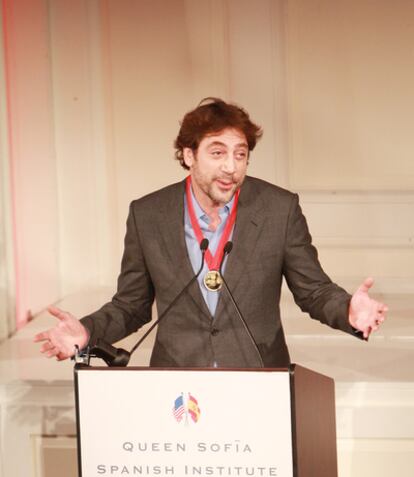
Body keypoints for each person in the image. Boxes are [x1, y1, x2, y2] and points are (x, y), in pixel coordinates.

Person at [34, 97, 388, 367]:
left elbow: (313, 291)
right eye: (217, 153)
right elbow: (132, 306)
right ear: (188, 155)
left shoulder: (279, 209)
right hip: (178, 388)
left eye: (240, 154)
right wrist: (87, 332)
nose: (231, 167)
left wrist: (348, 313)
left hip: (257, 378)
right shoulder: (148, 215)